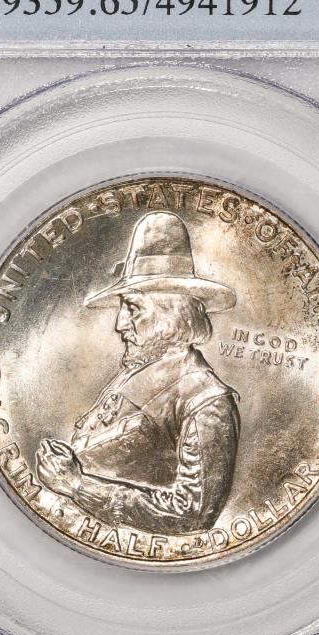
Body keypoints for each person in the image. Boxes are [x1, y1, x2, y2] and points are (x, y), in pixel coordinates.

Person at [36, 211, 240, 534]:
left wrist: (78, 486)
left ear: (171, 314)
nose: (120, 324)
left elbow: (193, 514)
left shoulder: (206, 401)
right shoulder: (139, 367)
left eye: (132, 308)